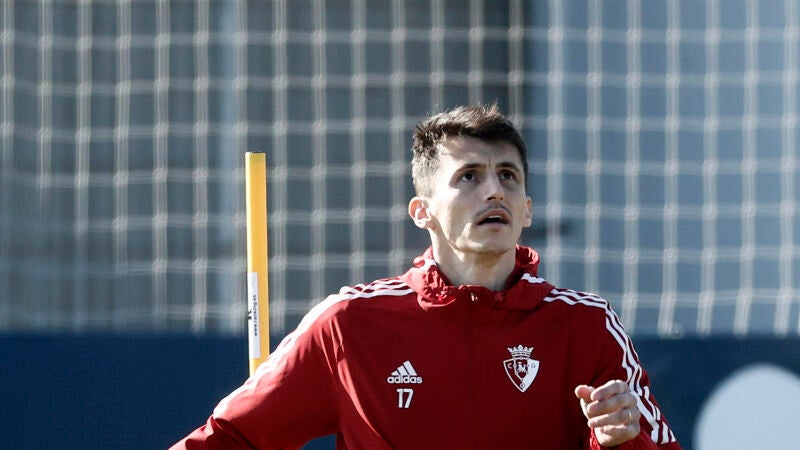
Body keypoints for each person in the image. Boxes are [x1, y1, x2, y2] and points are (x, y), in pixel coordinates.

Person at [171, 104, 681, 449]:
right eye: (469, 176)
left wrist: (623, 441)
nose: (494, 191)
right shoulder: (348, 324)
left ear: (527, 208)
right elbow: (229, 438)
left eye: (507, 175)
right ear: (422, 211)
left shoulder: (588, 325)